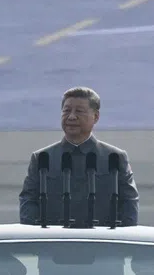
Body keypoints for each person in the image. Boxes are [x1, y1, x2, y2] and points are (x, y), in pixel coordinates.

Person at [18, 86, 139, 227]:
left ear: (96, 117)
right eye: (66, 111)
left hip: (101, 243)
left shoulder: (115, 158)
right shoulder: (42, 158)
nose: (71, 116)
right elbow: (28, 203)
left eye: (79, 111)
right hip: (54, 242)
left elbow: (129, 204)